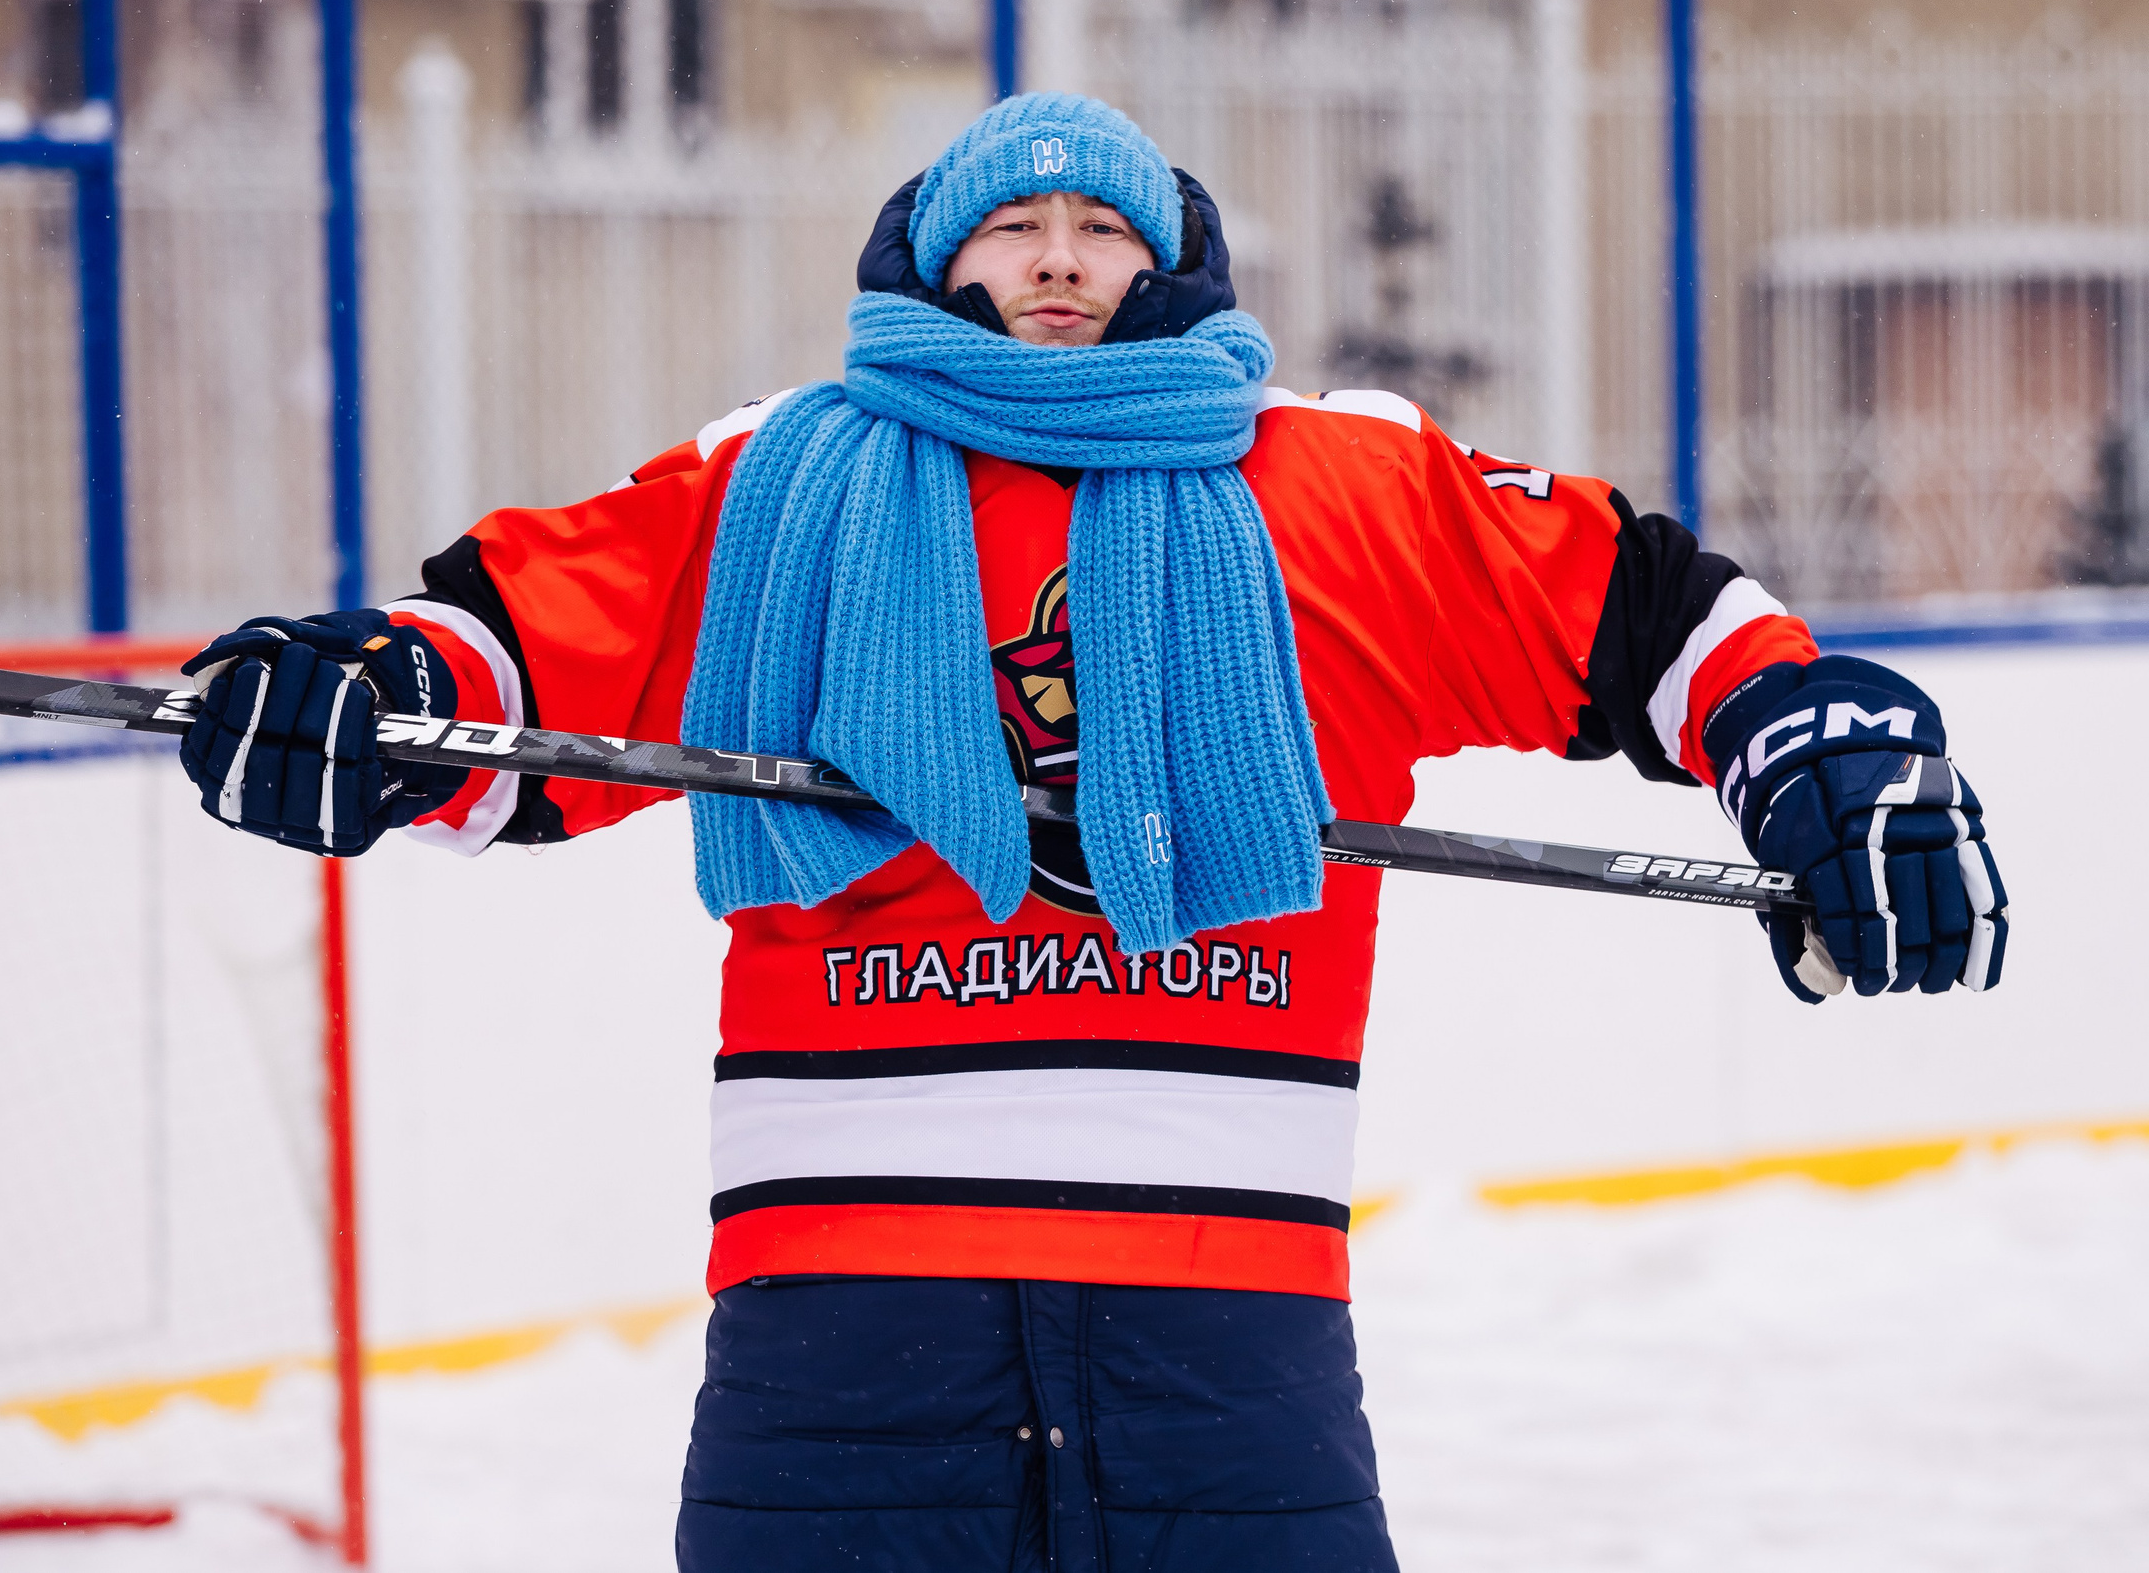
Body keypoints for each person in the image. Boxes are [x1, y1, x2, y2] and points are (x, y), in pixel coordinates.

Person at [174, 93, 2008, 1571]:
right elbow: (537, 637)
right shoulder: (783, 480)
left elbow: (1640, 613)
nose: (1060, 259)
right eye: (1014, 226)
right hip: (841, 1326)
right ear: (934, 261)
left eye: (1105, 228)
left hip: (1223, 1327)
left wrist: (1807, 737)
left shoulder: (1330, 489)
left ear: (1176, 267)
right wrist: (377, 691)